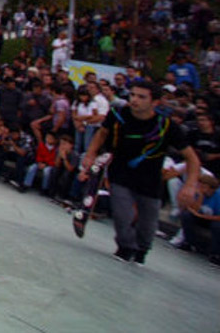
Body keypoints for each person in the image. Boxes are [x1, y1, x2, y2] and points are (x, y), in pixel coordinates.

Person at [80, 79, 201, 265]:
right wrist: (90, 154)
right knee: (122, 215)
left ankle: (142, 250)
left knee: (148, 224)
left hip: (150, 180)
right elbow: (102, 133)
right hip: (120, 173)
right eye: (132, 95)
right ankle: (125, 246)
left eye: (141, 97)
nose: (134, 100)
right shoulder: (117, 114)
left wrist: (190, 185)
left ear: (155, 102)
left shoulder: (166, 126)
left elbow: (192, 158)